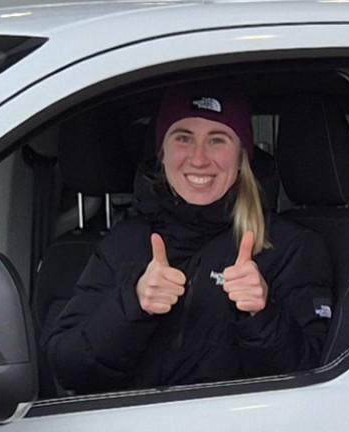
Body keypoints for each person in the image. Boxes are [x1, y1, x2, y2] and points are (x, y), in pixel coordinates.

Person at [44, 84, 331, 394]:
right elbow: (68, 370)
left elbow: (310, 386)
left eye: (217, 140)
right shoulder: (126, 241)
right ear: (162, 152)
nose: (198, 158)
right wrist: (133, 304)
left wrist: (260, 315)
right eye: (183, 137)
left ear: (241, 157)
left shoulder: (290, 247)